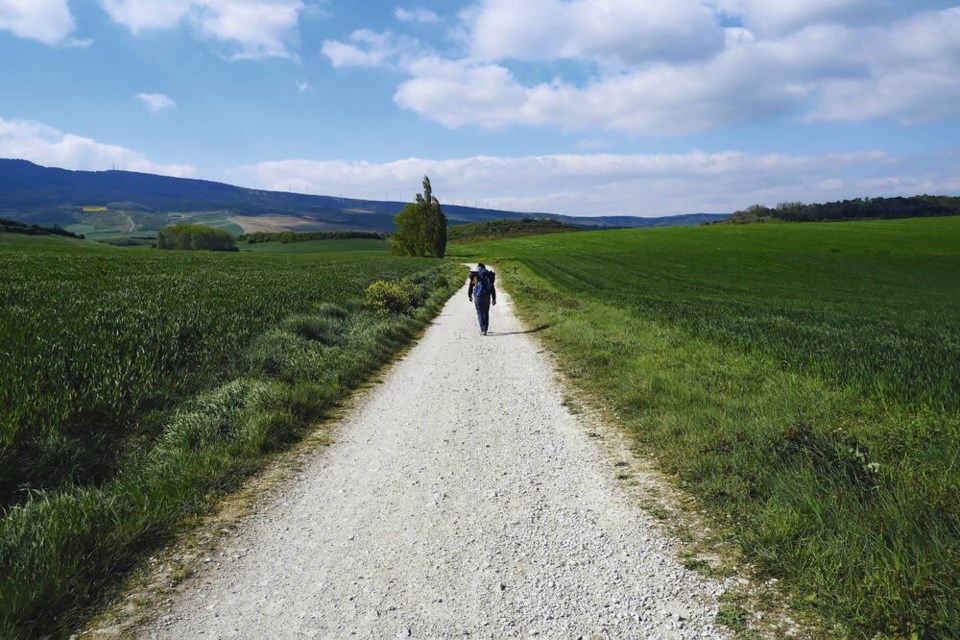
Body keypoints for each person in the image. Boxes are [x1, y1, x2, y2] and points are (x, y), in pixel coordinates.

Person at [467, 262, 497, 335]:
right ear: (484, 267)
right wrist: (494, 298)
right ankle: (485, 329)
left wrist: (469, 295)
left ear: (478, 268)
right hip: (487, 295)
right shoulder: (488, 275)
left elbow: (471, 285)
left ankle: (482, 330)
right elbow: (492, 287)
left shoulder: (476, 276)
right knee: (486, 312)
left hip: (478, 296)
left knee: (480, 312)